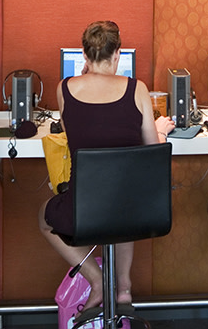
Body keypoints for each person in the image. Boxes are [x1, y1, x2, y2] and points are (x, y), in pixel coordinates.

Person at [39, 20, 173, 324]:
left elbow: (77, 134)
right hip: (134, 210)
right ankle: (123, 288)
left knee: (43, 218)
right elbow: (151, 150)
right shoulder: (137, 89)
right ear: (118, 55)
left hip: (82, 209)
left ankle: (97, 281)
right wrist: (161, 131)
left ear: (84, 56)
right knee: (122, 201)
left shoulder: (65, 89)